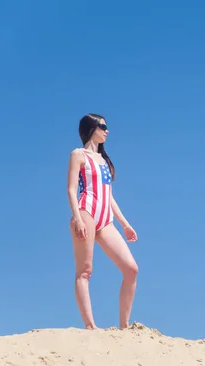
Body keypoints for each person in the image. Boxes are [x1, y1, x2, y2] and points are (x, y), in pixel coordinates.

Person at [67, 113, 139, 330]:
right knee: (84, 271)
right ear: (91, 128)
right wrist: (78, 218)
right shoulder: (78, 154)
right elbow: (71, 189)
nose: (107, 131)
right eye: (103, 126)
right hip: (86, 212)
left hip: (106, 219)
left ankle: (124, 326)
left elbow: (109, 197)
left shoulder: (105, 162)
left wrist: (125, 224)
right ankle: (91, 326)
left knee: (131, 269)